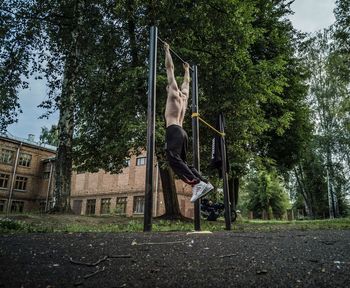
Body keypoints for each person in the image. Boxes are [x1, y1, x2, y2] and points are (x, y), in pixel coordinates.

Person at [163, 42, 213, 203]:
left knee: (172, 158)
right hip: (182, 133)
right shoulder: (184, 97)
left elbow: (169, 68)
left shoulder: (172, 92)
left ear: (169, 88)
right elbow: (187, 83)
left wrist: (167, 51)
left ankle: (196, 183)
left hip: (173, 130)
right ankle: (204, 182)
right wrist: (186, 70)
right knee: (182, 162)